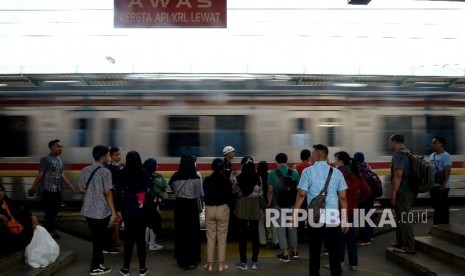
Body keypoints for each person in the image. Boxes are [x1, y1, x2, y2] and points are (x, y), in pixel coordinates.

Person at [293, 144, 349, 276]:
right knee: (334, 251)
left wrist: (294, 214)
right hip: (333, 217)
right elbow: (343, 198)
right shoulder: (337, 172)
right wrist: (345, 219)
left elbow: (301, 194)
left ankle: (314, 274)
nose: (310, 156)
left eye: (312, 154)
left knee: (314, 250)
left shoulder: (308, 171)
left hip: (314, 217)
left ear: (318, 155)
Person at [78, 145, 120, 276]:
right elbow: (108, 192)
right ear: (102, 156)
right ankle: (95, 267)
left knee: (97, 239)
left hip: (88, 210)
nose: (108, 157)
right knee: (98, 241)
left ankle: (99, 264)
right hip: (101, 211)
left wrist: (93, 191)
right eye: (107, 155)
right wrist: (113, 212)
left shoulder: (85, 170)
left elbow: (81, 189)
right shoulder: (105, 172)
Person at [28, 139, 75, 239]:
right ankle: (51, 231)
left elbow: (61, 174)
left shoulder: (59, 159)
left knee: (56, 209)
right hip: (47, 189)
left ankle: (46, 228)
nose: (60, 148)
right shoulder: (45, 159)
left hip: (57, 189)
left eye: (61, 147)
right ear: (51, 147)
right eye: (58, 146)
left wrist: (69, 185)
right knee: (49, 211)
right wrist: (33, 187)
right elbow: (40, 174)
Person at [334, 151, 371, 271]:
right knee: (351, 239)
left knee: (339, 239)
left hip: (339, 211)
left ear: (340, 161)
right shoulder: (357, 174)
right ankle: (353, 263)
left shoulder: (337, 174)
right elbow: (367, 191)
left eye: (335, 160)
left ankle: (339, 262)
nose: (334, 162)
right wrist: (356, 200)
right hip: (352, 211)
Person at [118, 151, 151, 276]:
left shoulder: (123, 172)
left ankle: (126, 269)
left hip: (128, 209)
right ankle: (142, 269)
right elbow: (147, 188)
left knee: (129, 240)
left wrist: (120, 209)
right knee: (141, 240)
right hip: (141, 209)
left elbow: (119, 192)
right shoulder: (143, 172)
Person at [169, 153, 202, 270]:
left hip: (179, 207)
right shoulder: (196, 177)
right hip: (191, 207)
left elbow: (171, 189)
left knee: (181, 233)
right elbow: (199, 194)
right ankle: (192, 260)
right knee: (192, 234)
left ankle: (181, 260)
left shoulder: (175, 176)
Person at [267, 153, 300, 262]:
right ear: (286, 160)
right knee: (293, 227)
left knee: (280, 229)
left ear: (277, 161)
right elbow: (299, 190)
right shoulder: (294, 173)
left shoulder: (272, 174)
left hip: (278, 205)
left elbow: (271, 191)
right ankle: (295, 251)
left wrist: (269, 205)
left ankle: (285, 254)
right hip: (292, 204)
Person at [202, 158, 232, 272]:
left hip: (209, 209)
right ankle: (221, 265)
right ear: (223, 168)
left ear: (212, 168)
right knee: (222, 238)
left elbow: (205, 194)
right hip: (222, 209)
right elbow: (230, 196)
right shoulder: (226, 180)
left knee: (210, 238)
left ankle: (209, 265)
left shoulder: (207, 180)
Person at [389, 133, 417, 254]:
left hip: (403, 191)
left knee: (404, 219)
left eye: (390, 142)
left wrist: (394, 192)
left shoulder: (398, 155)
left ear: (394, 142)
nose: (389, 144)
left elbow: (398, 174)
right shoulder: (408, 153)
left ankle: (409, 247)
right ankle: (401, 243)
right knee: (401, 219)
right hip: (410, 190)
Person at [234, 156, 263, 271]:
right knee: (255, 234)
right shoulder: (258, 178)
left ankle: (243, 262)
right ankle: (255, 262)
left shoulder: (239, 178)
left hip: (242, 208)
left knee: (242, 236)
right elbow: (261, 193)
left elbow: (235, 192)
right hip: (255, 207)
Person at [0, 184, 38, 255]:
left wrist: (32, 216)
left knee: (28, 220)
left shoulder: (6, 199)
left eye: (2, 190)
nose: (1, 193)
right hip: (4, 229)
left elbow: (20, 207)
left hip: (13, 225)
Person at [143, 158, 167, 251]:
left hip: (146, 203)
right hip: (152, 202)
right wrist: (161, 176)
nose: (157, 166)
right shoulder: (152, 177)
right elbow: (164, 185)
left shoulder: (146, 174)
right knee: (154, 222)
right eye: (155, 165)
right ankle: (152, 244)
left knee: (148, 223)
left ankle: (146, 241)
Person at [103, 146, 124, 254]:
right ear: (110, 156)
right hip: (113, 197)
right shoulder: (109, 168)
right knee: (112, 221)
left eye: (119, 154)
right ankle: (108, 245)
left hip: (119, 196)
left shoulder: (119, 166)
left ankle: (113, 241)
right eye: (116, 155)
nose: (118, 156)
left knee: (116, 220)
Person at [354, 152, 377, 245]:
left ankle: (364, 239)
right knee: (369, 215)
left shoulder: (356, 168)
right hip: (370, 195)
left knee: (363, 217)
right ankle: (370, 236)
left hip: (363, 195)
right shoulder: (367, 166)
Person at [429, 136, 452, 226]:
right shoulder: (432, 156)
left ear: (441, 144)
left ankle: (438, 226)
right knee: (436, 206)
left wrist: (443, 185)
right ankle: (442, 226)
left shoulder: (446, 156)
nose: (432, 145)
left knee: (440, 207)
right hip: (433, 185)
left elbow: (447, 171)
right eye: (432, 143)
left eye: (435, 143)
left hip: (443, 186)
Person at [294, 149, 312, 243]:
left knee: (300, 217)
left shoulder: (296, 167)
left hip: (300, 194)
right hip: (310, 195)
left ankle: (299, 237)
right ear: (309, 157)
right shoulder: (311, 167)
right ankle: (309, 236)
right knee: (310, 217)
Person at [257, 161, 275, 247]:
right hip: (269, 202)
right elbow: (271, 190)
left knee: (260, 222)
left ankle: (262, 241)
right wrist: (269, 202)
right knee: (269, 221)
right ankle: (270, 237)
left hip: (259, 202)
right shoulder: (269, 176)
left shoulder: (256, 177)